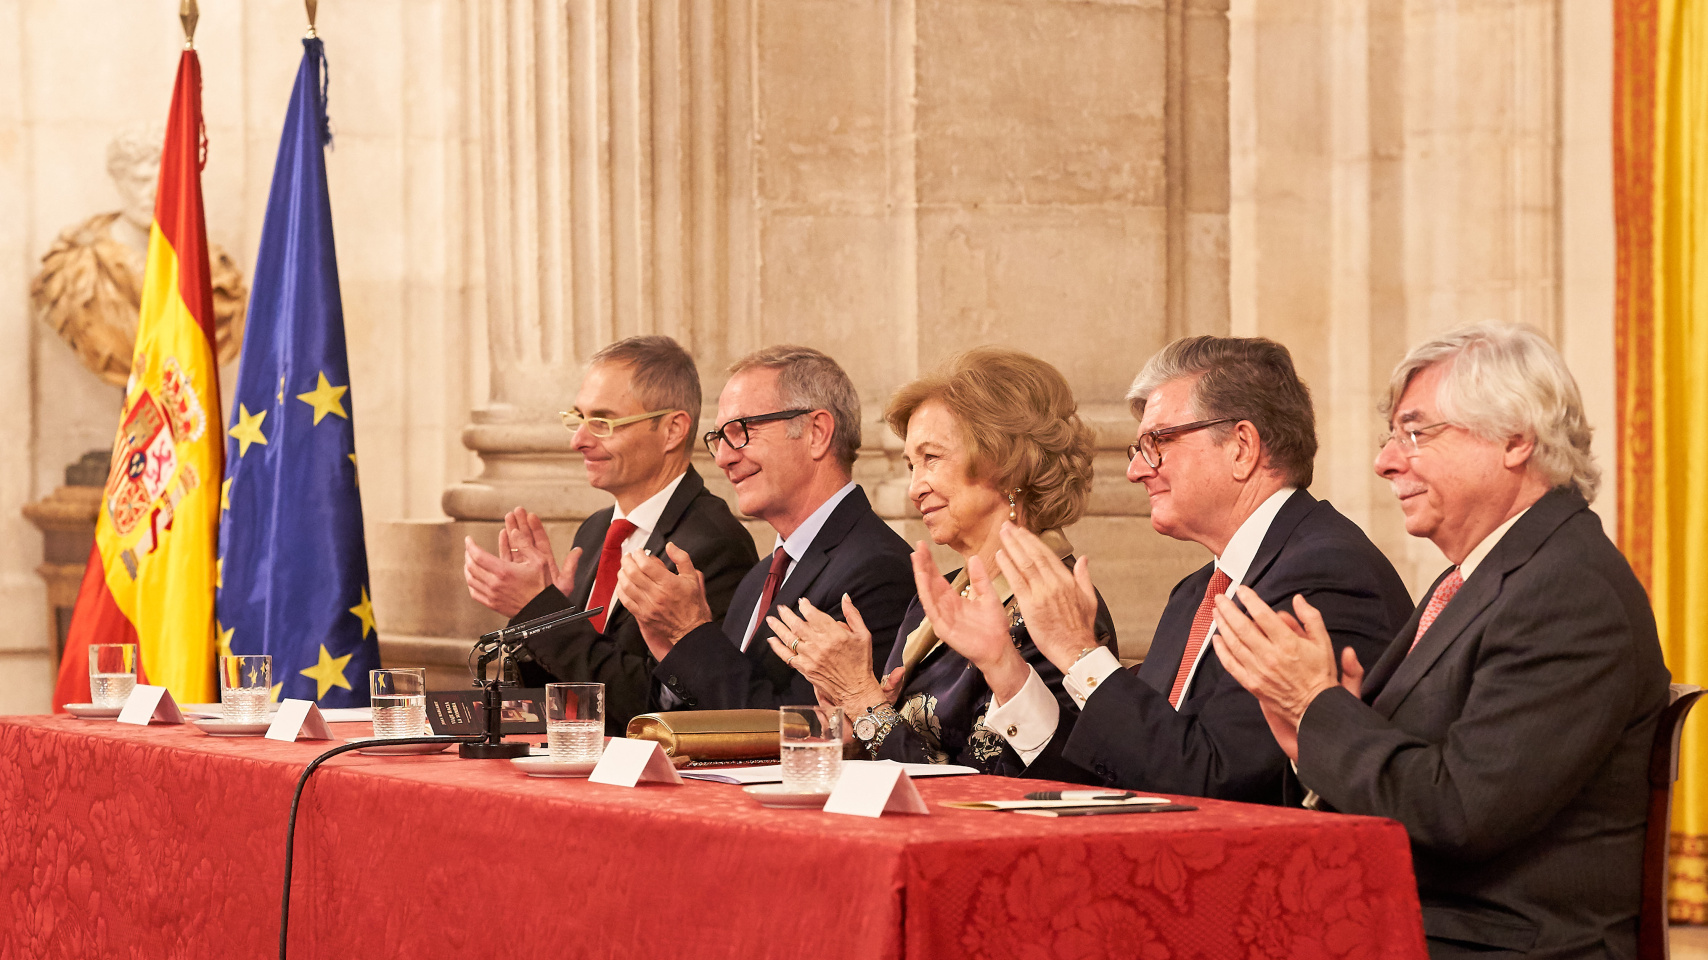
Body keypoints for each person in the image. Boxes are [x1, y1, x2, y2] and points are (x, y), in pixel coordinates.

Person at [1211, 323, 1670, 958]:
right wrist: (1308, 735)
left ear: (1515, 440)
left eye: (1416, 433)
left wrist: (1320, 707)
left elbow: (1459, 814)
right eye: (1393, 435)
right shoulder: (1479, 576)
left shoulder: (1567, 592)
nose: (1385, 460)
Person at [959, 336, 1413, 801]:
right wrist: (1005, 669)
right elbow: (1127, 775)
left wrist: (1079, 651)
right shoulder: (1195, 592)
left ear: (1241, 447)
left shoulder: (1323, 574)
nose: (1136, 469)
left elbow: (1216, 787)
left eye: (1157, 442)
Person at [765, 348, 1116, 774]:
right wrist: (851, 715)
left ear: (1005, 462)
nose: (914, 488)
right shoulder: (935, 599)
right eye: (911, 465)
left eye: (931, 458)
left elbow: (985, 784)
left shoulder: (1055, 609)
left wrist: (865, 702)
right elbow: (906, 753)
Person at [461, 336, 758, 733]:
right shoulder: (597, 528)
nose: (578, 440)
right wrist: (536, 623)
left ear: (672, 430)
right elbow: (560, 695)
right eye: (578, 418)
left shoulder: (711, 544)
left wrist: (544, 615)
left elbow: (653, 709)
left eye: (602, 422)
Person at [616, 345, 914, 710]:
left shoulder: (878, 569)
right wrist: (674, 648)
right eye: (718, 439)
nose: (724, 458)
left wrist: (690, 633)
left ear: (817, 433)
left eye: (741, 430)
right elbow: (713, 720)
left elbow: (804, 732)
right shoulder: (759, 577)